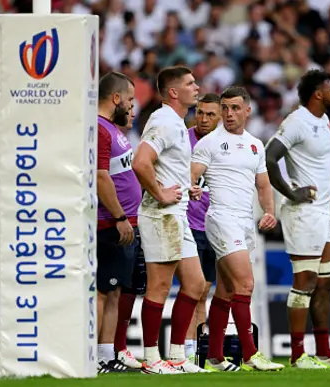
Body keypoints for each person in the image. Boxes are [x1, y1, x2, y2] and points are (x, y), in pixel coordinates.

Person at [190, 86, 284, 372]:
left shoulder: (256, 144)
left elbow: (264, 184)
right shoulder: (209, 143)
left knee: (227, 290)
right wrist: (191, 187)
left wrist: (269, 211)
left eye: (234, 108)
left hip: (244, 221)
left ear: (247, 110)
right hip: (221, 218)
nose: (229, 114)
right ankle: (250, 354)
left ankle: (216, 357)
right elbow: (192, 174)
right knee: (246, 284)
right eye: (225, 108)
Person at [265, 70, 330, 368]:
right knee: (305, 281)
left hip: (323, 212)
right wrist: (290, 192)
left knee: (327, 283)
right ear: (318, 94)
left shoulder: (323, 121)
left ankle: (324, 352)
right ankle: (297, 354)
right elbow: (269, 156)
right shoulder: (297, 122)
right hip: (303, 212)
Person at [131, 66, 207, 374]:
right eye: (190, 83)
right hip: (161, 214)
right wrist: (160, 193)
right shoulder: (164, 120)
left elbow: (160, 165)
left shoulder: (175, 122)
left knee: (196, 284)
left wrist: (184, 186)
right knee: (159, 286)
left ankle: (177, 356)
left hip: (177, 214)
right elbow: (140, 162)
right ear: (173, 92)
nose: (197, 87)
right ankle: (151, 359)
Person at [96, 71, 142, 373]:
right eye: (129, 99)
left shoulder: (112, 129)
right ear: (115, 98)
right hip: (110, 225)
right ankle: (95, 357)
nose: (130, 104)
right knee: (103, 291)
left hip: (123, 224)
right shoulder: (100, 130)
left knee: (113, 292)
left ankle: (106, 355)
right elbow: (100, 178)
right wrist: (120, 218)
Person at [184, 93, 223, 360]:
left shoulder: (225, 145)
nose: (204, 118)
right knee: (192, 290)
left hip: (216, 227)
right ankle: (184, 351)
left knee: (204, 292)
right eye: (200, 112)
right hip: (189, 225)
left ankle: (196, 352)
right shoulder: (181, 140)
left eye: (210, 114)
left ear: (220, 117)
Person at [111, 110, 149, 371]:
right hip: (119, 223)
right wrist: (119, 216)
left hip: (134, 221)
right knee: (114, 290)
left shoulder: (123, 137)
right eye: (129, 102)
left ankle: (118, 348)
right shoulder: (107, 134)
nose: (132, 109)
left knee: (131, 288)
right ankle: (111, 350)